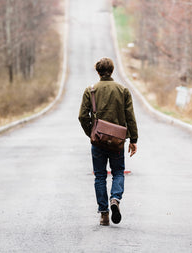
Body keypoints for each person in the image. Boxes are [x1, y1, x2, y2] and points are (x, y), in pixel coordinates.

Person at [78, 57, 138, 226]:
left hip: (98, 141)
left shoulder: (90, 91)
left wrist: (91, 132)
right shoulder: (122, 90)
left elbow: (82, 116)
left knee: (100, 176)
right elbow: (130, 117)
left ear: (98, 71)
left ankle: (104, 214)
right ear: (112, 71)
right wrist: (133, 139)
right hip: (117, 141)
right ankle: (115, 199)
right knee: (118, 172)